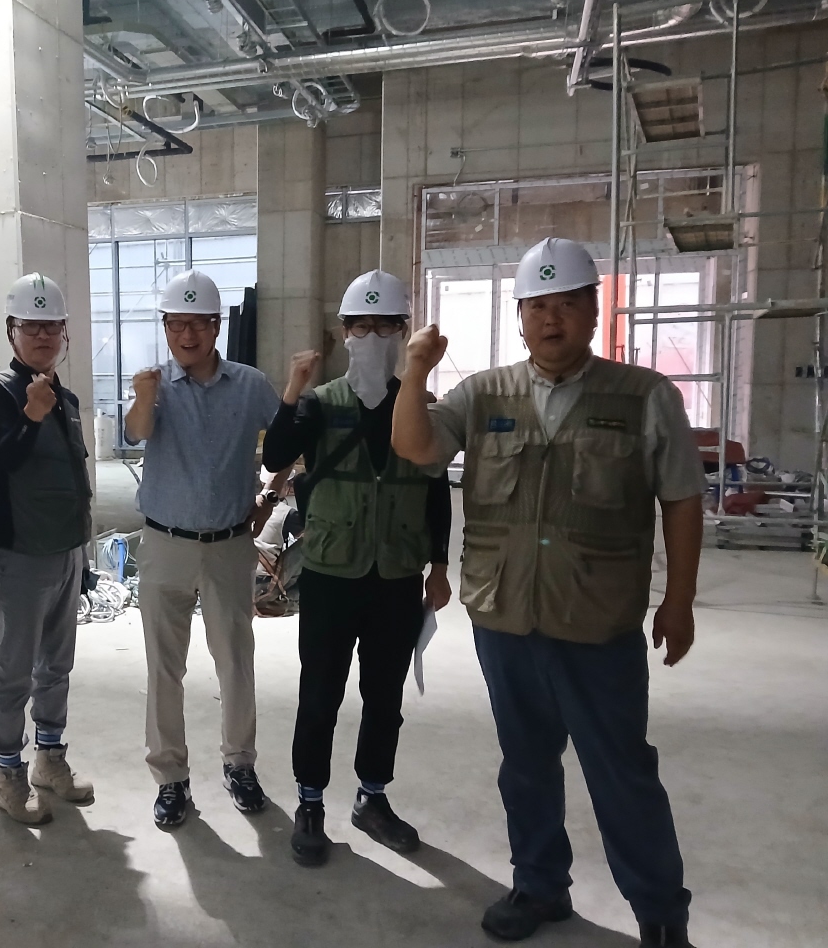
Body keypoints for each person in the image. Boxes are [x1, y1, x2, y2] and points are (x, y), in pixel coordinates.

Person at [391, 238, 703, 948]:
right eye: (538, 307)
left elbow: (683, 498)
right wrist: (415, 371)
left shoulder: (644, 396)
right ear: (521, 316)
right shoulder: (482, 394)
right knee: (526, 766)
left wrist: (679, 599)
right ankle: (539, 885)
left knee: (621, 771)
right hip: (505, 616)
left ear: (594, 311)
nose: (552, 319)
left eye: (567, 304)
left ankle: (660, 913)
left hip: (597, 620)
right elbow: (415, 447)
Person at [262, 269, 453, 868]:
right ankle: (310, 803)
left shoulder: (418, 407)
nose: (372, 338)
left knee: (384, 696)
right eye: (360, 327)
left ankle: (373, 797)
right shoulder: (320, 404)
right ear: (344, 333)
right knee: (319, 693)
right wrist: (293, 390)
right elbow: (274, 456)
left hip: (396, 574)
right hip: (329, 574)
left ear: (403, 332)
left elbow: (436, 489)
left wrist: (440, 565)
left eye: (385, 327)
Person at [125, 268, 286, 829]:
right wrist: (144, 395)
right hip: (164, 543)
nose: (187, 334)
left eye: (198, 323)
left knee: (235, 662)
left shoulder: (250, 385)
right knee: (163, 667)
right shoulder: (154, 384)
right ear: (166, 328)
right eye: (176, 324)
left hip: (228, 546)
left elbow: (289, 439)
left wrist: (270, 495)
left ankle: (240, 765)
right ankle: (170, 777)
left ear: (217, 326)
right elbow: (137, 432)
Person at [0, 272, 94, 826]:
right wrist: (31, 414)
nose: (43, 336)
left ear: (64, 332)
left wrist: (82, 553)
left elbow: (75, 479)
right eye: (32, 326)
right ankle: (8, 775)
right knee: (16, 670)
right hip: (21, 553)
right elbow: (4, 462)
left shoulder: (66, 398)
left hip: (66, 549)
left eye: (52, 326)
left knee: (57, 664)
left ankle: (50, 758)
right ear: (12, 331)